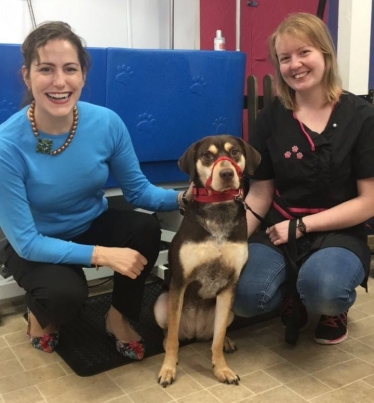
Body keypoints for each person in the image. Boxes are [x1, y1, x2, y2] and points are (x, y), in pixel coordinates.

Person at [0, 21, 191, 358]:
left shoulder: (106, 123)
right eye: (46, 69)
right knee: (64, 297)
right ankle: (40, 314)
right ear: (27, 76)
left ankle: (117, 317)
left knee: (145, 228)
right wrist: (102, 255)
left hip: (88, 223)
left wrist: (182, 198)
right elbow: (27, 241)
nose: (60, 81)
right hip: (31, 240)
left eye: (70, 69)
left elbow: (138, 193)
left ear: (83, 76)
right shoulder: (6, 145)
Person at [233, 13, 374, 345]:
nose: (295, 64)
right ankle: (291, 294)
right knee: (244, 298)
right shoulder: (270, 119)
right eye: (285, 58)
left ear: (325, 53)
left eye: (304, 52)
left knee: (324, 290)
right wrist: (228, 242)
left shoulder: (362, 116)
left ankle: (330, 306)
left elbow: (369, 200)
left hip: (338, 230)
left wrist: (302, 227)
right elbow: (260, 194)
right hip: (277, 227)